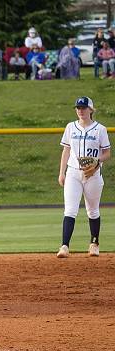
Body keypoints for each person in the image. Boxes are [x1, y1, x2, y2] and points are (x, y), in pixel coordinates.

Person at [56, 96, 111, 258]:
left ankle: (94, 243)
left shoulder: (100, 129)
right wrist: (62, 172)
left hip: (93, 174)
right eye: (78, 108)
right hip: (73, 172)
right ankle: (64, 246)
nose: (80, 110)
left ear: (91, 110)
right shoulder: (70, 127)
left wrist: (97, 161)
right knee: (70, 210)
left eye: (83, 108)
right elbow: (66, 150)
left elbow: (107, 153)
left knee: (92, 211)